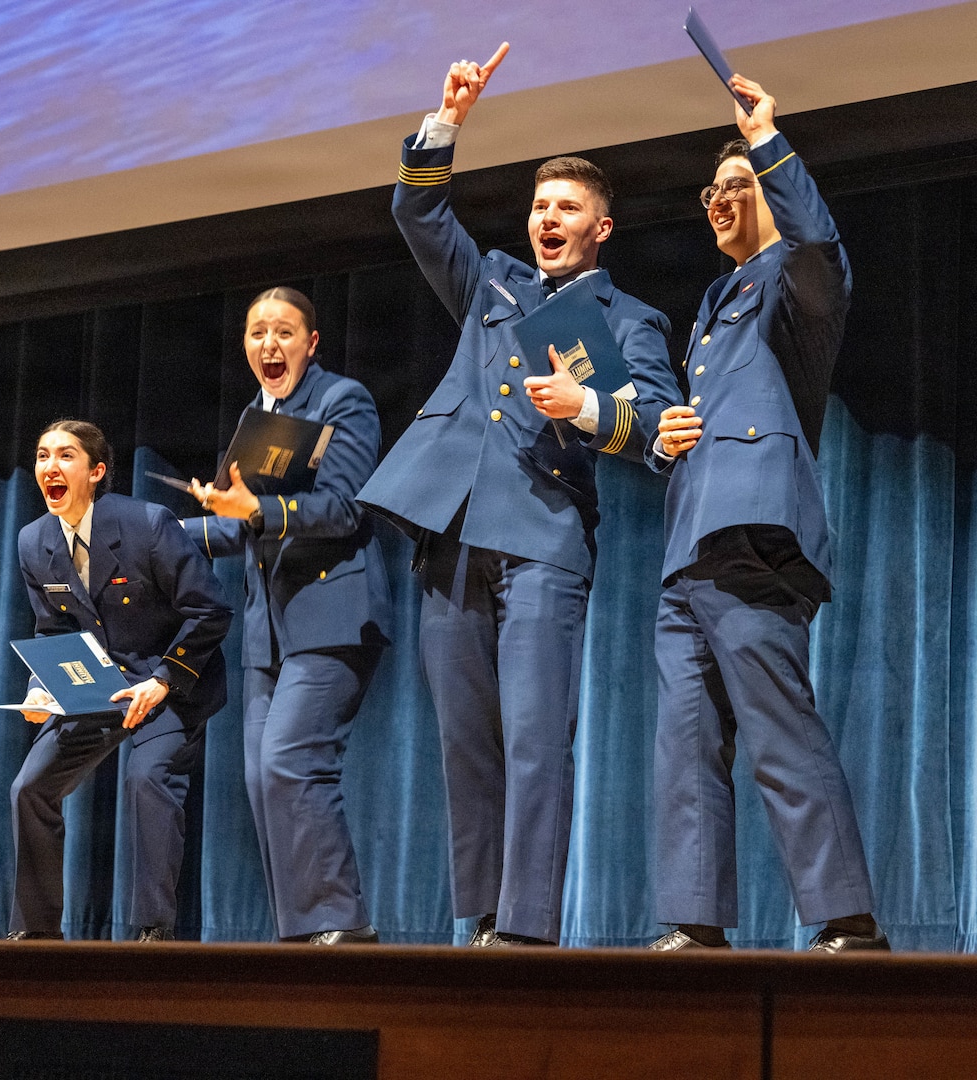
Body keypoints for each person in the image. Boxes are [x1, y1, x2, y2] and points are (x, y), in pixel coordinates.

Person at [357, 44, 681, 947]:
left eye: (567, 207)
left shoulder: (631, 320)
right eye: (540, 204)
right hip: (451, 534)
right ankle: (485, 919)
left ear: (600, 230)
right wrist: (448, 121)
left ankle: (530, 929)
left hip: (543, 538)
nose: (548, 217)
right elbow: (417, 210)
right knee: (469, 749)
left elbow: (656, 431)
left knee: (537, 744)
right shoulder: (491, 280)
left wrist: (589, 406)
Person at [646, 75, 887, 952]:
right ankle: (695, 923)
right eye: (711, 192)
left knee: (780, 734)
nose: (719, 201)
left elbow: (818, 241)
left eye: (735, 187)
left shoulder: (795, 278)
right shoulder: (713, 302)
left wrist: (767, 142)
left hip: (753, 535)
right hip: (687, 541)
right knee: (684, 745)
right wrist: (664, 437)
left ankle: (846, 920)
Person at [188, 287, 391, 945]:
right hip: (269, 634)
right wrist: (162, 530)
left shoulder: (341, 401)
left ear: (312, 343)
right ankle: (302, 938)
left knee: (290, 762)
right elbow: (241, 528)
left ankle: (343, 925)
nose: (268, 345)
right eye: (256, 333)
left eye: (283, 332)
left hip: (332, 614)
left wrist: (258, 512)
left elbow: (346, 507)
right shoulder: (255, 414)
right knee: (260, 777)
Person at [9, 419, 232, 941]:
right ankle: (35, 935)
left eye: (65, 456)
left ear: (96, 472)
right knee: (29, 787)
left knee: (146, 778)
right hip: (97, 686)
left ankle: (152, 932)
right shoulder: (33, 541)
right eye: (42, 456)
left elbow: (211, 611)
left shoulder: (148, 524)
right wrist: (43, 688)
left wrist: (163, 680)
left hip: (169, 680)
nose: (50, 468)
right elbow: (55, 628)